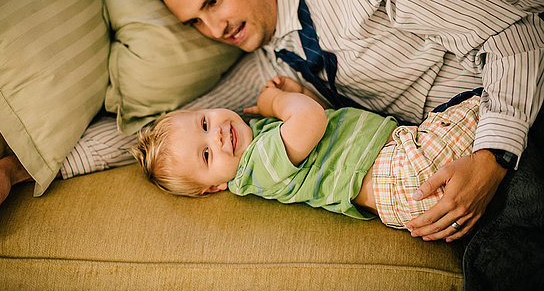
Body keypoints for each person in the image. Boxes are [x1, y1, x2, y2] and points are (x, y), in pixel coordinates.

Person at [145, 0, 544, 291]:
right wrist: (80, 155)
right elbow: (163, 130)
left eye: (214, 1)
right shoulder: (262, 67)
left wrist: (494, 157)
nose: (215, 31)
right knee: (498, 260)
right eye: (195, 22)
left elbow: (515, 34)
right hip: (440, 155)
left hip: (520, 98)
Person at [134, 75, 481, 232]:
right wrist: (275, 102)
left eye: (205, 123)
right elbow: (311, 119)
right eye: (207, 155)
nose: (219, 136)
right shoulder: (256, 168)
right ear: (214, 187)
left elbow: (328, 126)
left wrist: (298, 92)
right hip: (398, 170)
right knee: (484, 104)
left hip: (400, 197)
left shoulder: (263, 142)